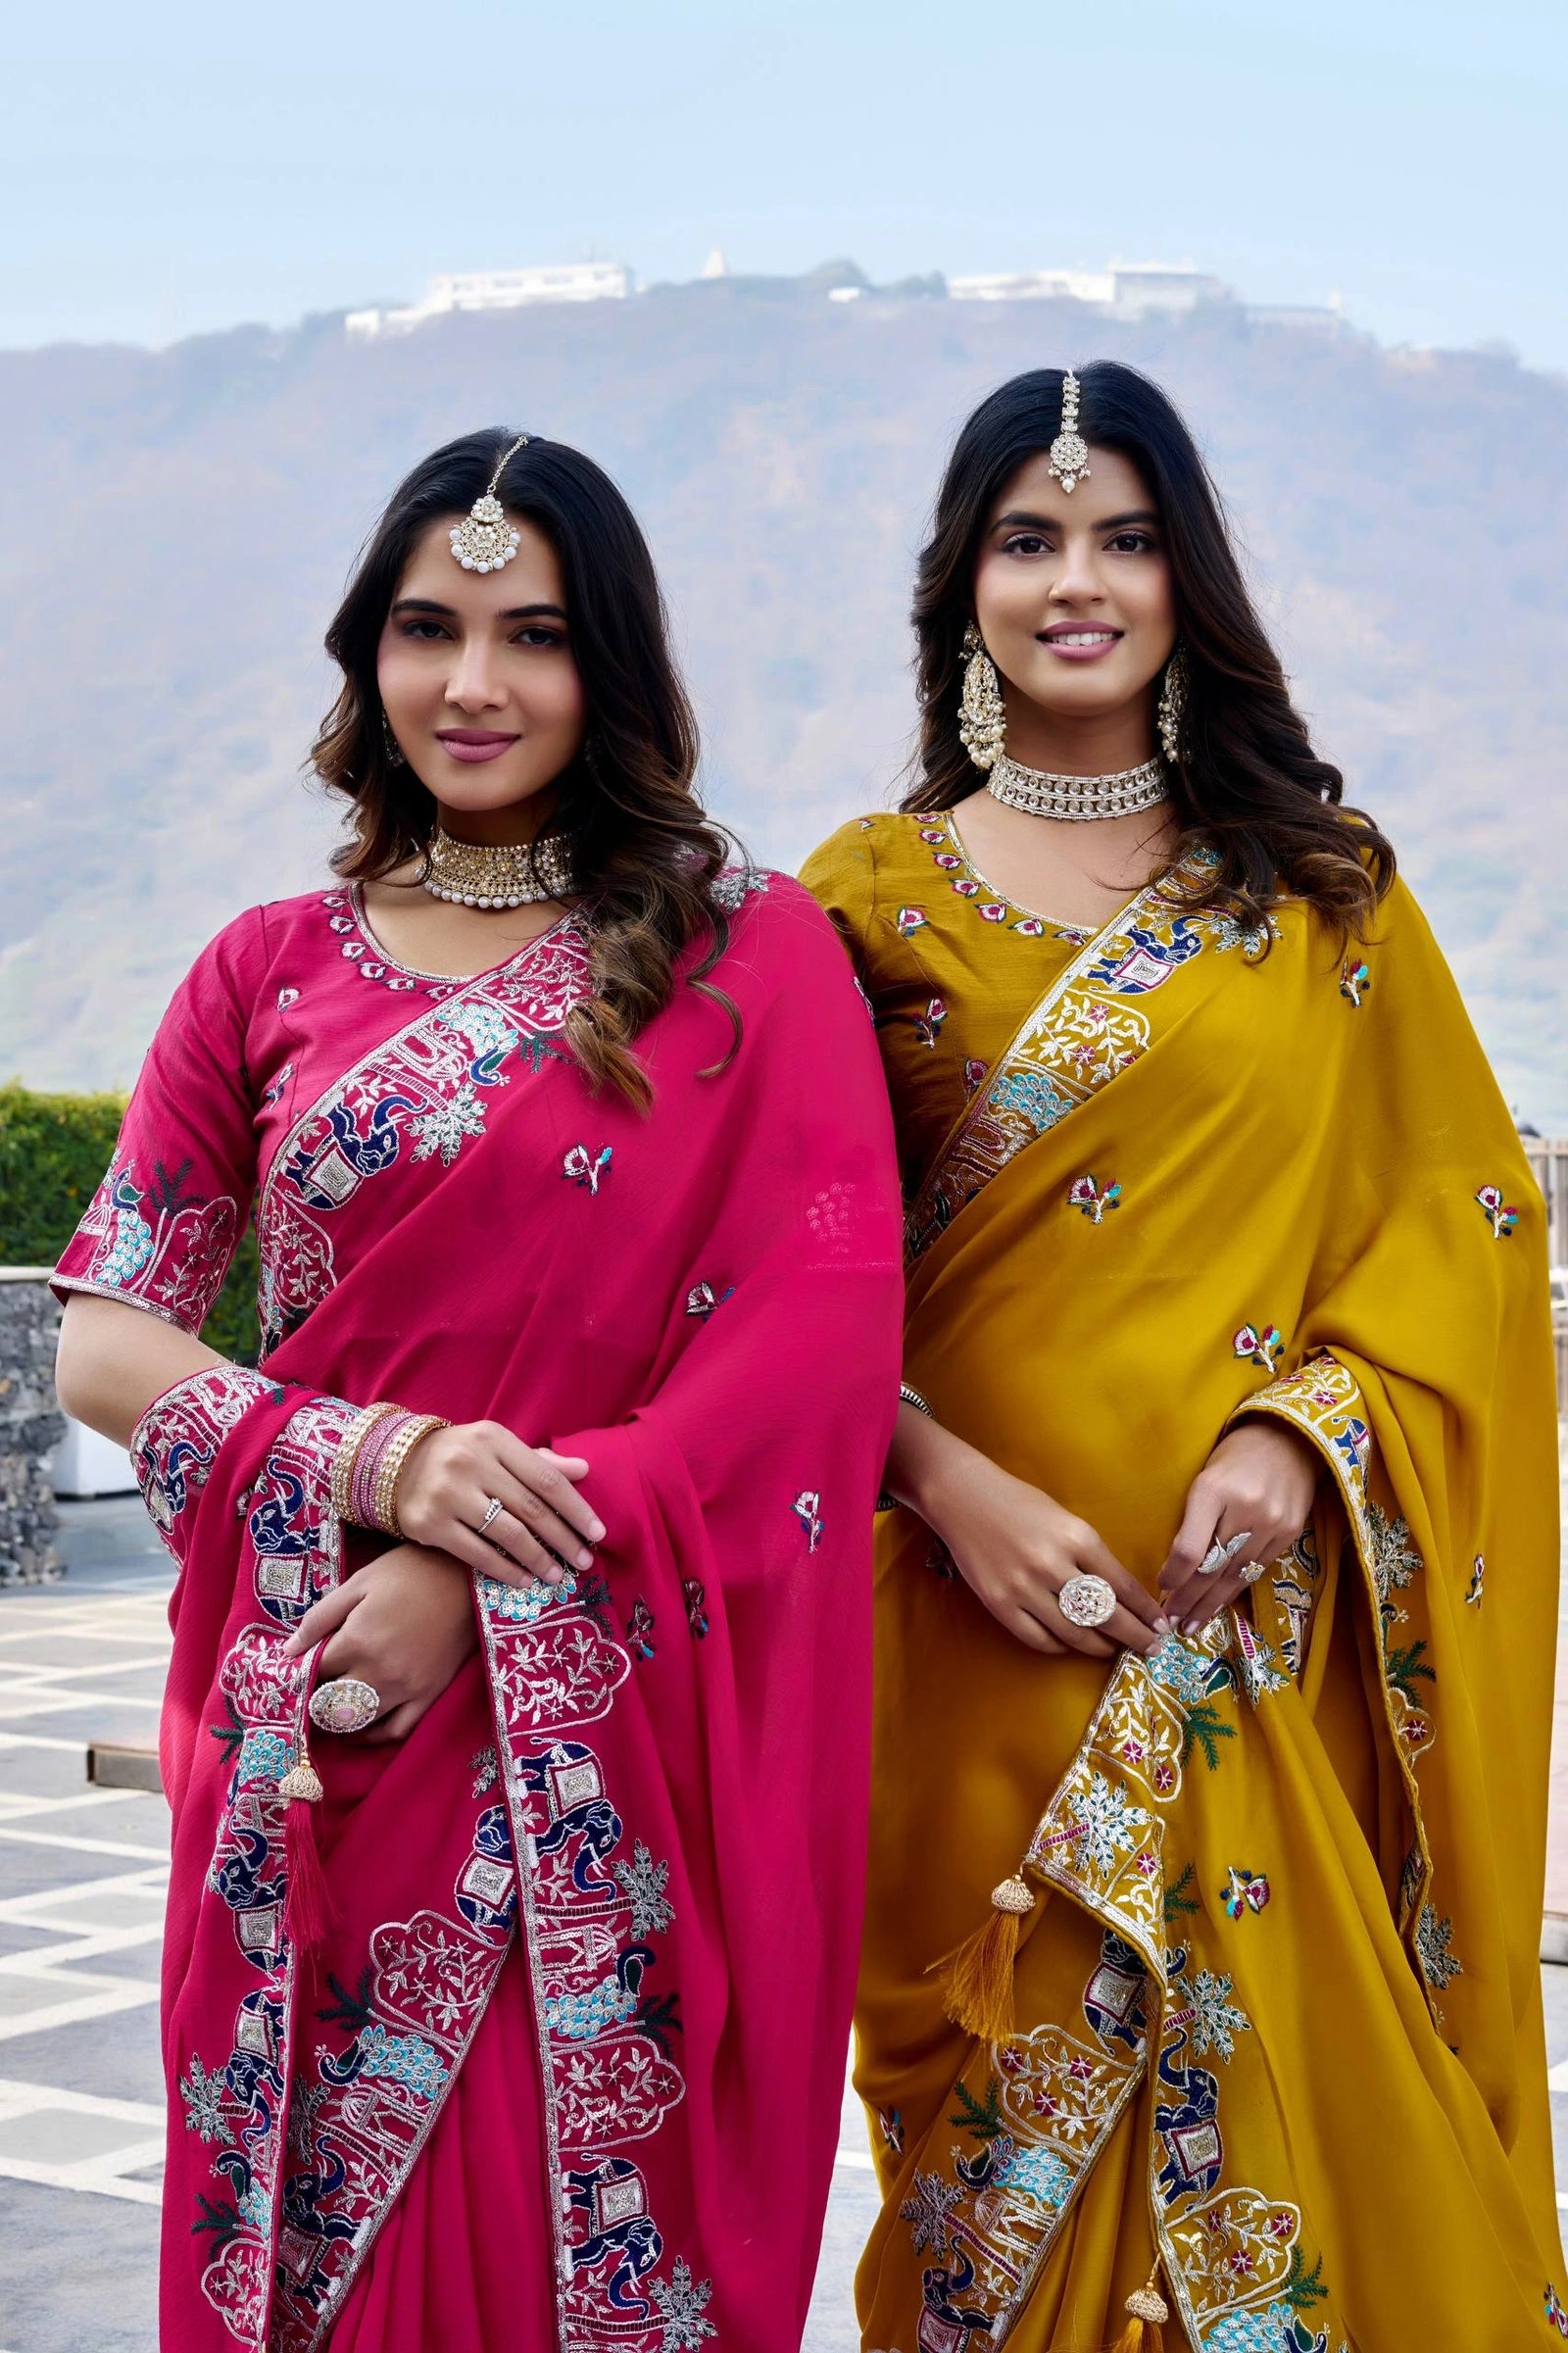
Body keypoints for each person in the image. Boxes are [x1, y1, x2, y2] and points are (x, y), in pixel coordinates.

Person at [54, 427, 904, 2353]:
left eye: (531, 634)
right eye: (427, 628)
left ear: (607, 665)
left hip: (585, 1741)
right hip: (308, 1733)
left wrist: (496, 1563)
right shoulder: (260, 970)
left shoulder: (740, 959)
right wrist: (383, 1459)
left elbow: (818, 1327)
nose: (472, 682)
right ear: (366, 657)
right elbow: (109, 1326)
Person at [802, 364, 1560, 2352]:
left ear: (1184, 574)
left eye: (1123, 537)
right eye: (1028, 537)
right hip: (964, 1669)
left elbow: (1458, 1236)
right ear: (959, 584)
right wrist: (947, 1486)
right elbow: (771, 1296)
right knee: (995, 2234)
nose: (1077, 579)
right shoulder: (858, 908)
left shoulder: (1317, 897)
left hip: (1251, 1654)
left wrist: (1304, 1434)